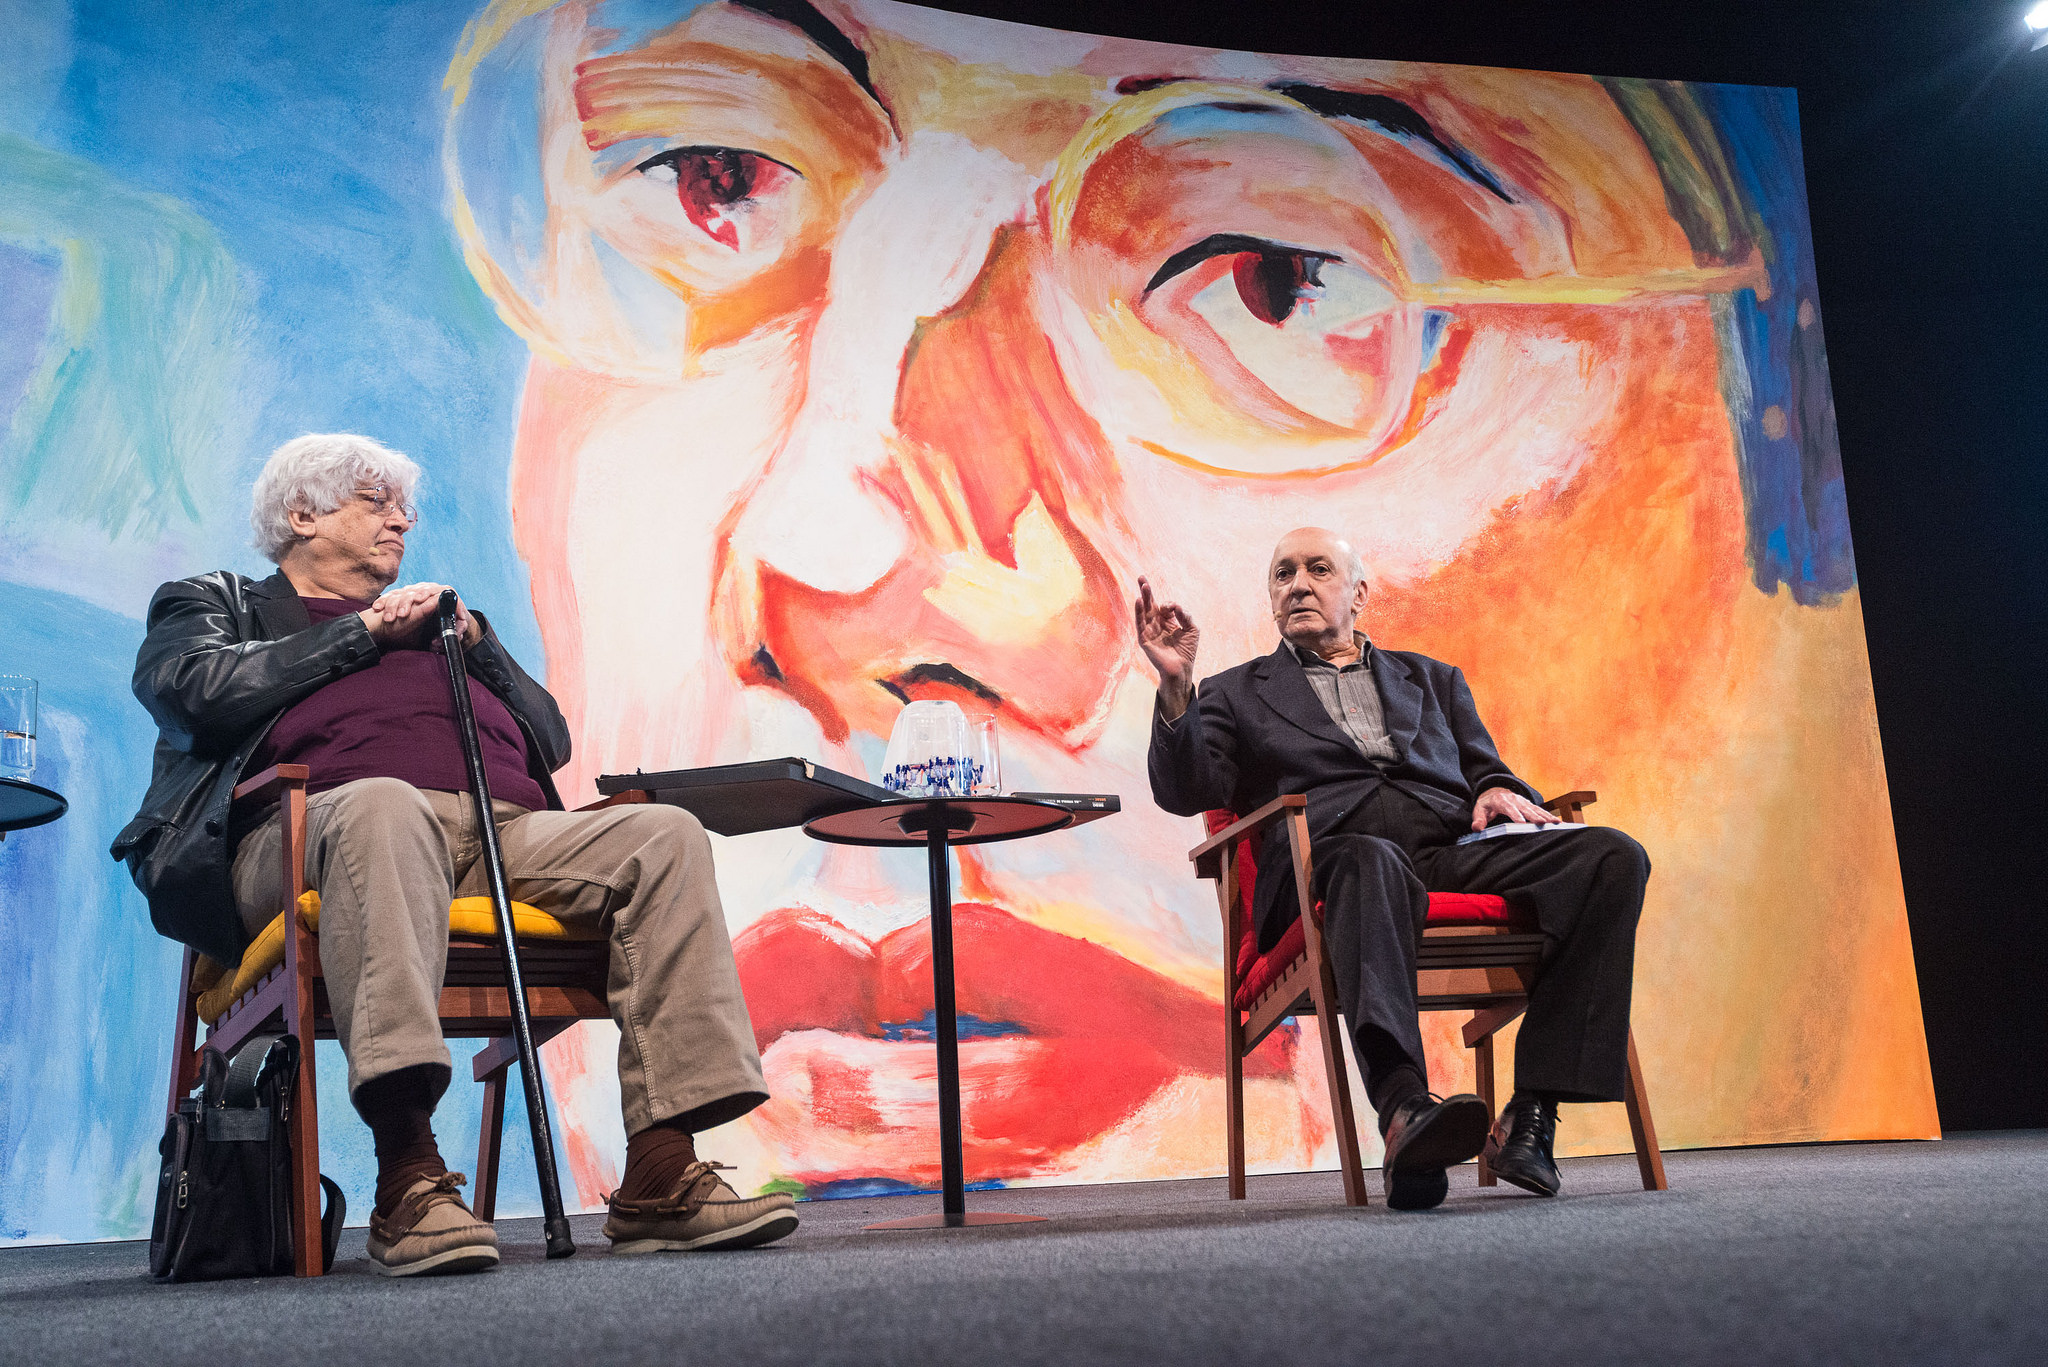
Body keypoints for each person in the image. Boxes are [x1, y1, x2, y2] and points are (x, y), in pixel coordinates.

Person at [111, 433, 796, 1274]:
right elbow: (194, 693)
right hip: (303, 836)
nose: (404, 520)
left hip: (501, 833)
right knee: (384, 806)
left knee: (663, 835)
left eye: (406, 506)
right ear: (301, 516)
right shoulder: (215, 602)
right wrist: (360, 636)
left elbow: (550, 737)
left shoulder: (444, 629)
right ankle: (407, 1172)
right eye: (377, 502)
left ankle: (660, 1168)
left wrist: (480, 647)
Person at [1140, 526, 1651, 1209]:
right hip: (1335, 862)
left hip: (1447, 851)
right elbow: (1187, 789)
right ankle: (1406, 1108)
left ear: (1358, 593)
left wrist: (1498, 787)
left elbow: (1482, 766)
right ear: (1271, 600)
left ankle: (1532, 1113)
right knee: (1369, 859)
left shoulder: (1433, 679)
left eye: (1318, 569)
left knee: (1613, 858)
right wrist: (1177, 690)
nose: (1298, 584)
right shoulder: (1237, 694)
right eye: (1283, 574)